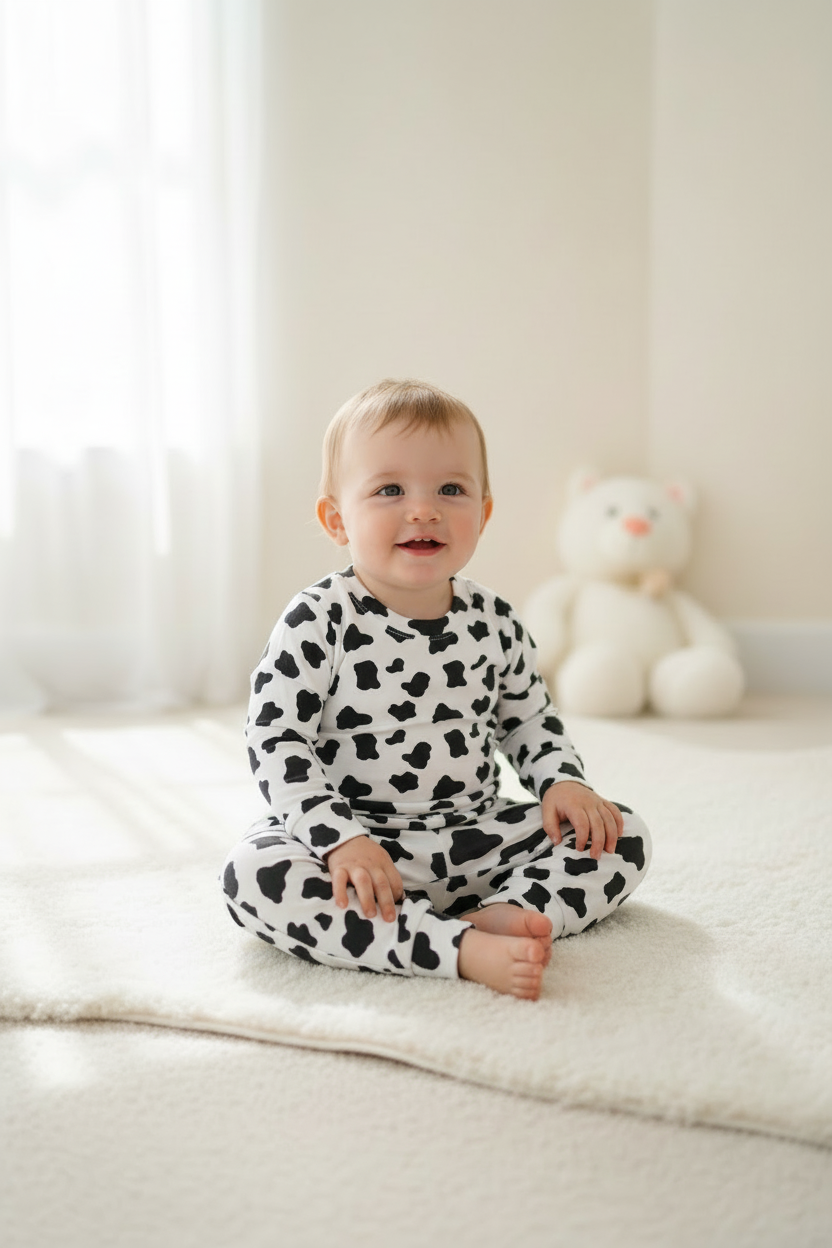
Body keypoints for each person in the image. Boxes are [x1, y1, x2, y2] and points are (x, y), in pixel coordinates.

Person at [221, 379, 651, 1000]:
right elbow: (277, 739)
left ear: (483, 511)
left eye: (451, 489)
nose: (423, 510)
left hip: (475, 838)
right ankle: (456, 948)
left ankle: (505, 911)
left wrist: (563, 783)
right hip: (360, 847)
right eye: (389, 490)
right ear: (337, 519)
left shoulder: (494, 619)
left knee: (623, 834)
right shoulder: (319, 619)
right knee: (252, 874)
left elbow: (530, 721)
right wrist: (338, 839)